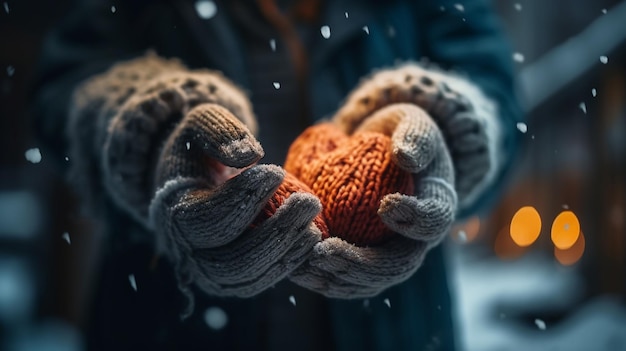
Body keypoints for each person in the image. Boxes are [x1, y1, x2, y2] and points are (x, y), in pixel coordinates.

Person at [32, 0, 522, 349]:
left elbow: (495, 89)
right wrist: (152, 132)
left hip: (396, 328)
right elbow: (65, 86)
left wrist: (443, 128)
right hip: (164, 323)